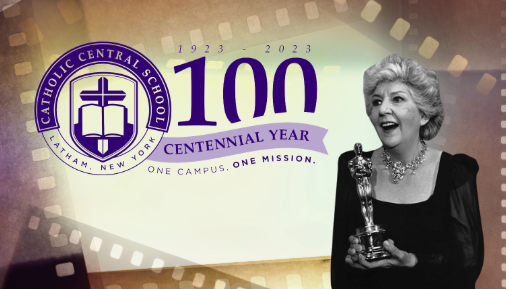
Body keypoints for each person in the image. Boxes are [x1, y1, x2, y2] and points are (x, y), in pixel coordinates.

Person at [330, 54, 484, 289]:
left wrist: (413, 262)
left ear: (423, 114)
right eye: (376, 101)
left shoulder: (455, 171)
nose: (383, 109)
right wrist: (353, 258)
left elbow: (467, 266)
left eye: (398, 99)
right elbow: (339, 275)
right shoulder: (353, 165)